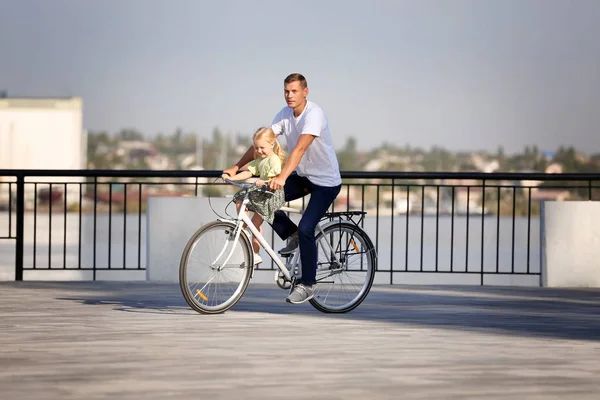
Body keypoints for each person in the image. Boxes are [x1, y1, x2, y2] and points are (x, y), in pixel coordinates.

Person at [223, 73, 342, 304]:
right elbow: (263, 142)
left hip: (326, 182)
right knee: (262, 200)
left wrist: (281, 176)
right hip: (304, 176)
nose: (289, 95)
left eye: (294, 91)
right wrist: (236, 166)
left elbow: (298, 149)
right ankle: (293, 235)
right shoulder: (284, 114)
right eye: (286, 91)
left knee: (308, 227)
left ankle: (307, 284)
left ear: (305, 92)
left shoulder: (314, 115)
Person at [222, 127, 286, 265]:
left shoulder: (274, 160)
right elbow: (248, 173)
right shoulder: (259, 160)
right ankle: (243, 225)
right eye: (256, 148)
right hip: (262, 193)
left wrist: (263, 181)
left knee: (256, 224)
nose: (259, 151)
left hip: (271, 195)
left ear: (272, 144)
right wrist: (231, 177)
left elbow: (275, 178)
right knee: (240, 197)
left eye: (262, 147)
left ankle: (255, 253)